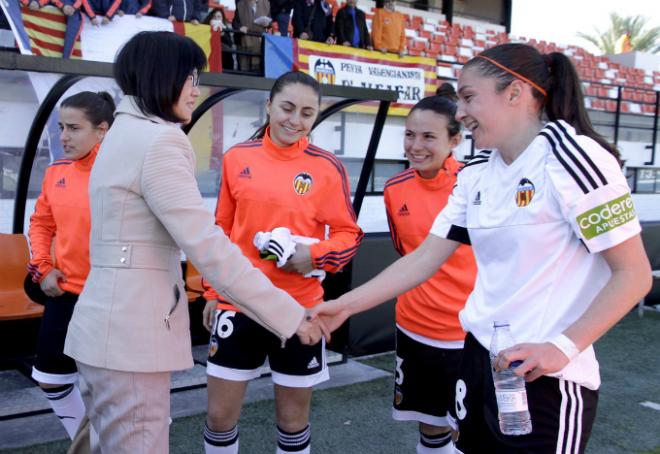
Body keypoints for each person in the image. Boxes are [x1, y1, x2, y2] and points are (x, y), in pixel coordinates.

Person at [312, 42, 652, 453]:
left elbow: (632, 275)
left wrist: (560, 348)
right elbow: (423, 259)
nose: (460, 113)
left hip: (546, 377)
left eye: (470, 97)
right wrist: (346, 305)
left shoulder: (574, 158)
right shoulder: (476, 174)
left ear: (516, 93)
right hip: (478, 360)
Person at [63, 32, 325, 453]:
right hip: (131, 340)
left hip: (102, 332)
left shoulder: (121, 132)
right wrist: (292, 316)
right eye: (191, 77)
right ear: (164, 76)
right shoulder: (160, 140)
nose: (197, 89)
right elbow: (210, 248)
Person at [200, 71, 363, 454]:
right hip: (238, 302)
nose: (295, 119)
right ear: (269, 105)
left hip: (300, 308)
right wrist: (211, 289)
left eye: (307, 113)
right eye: (287, 107)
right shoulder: (237, 157)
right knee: (219, 418)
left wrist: (314, 255)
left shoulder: (326, 167)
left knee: (292, 422)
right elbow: (219, 230)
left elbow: (348, 234)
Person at [383, 85, 476, 454]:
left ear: (454, 140)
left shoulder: (474, 184)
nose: (415, 145)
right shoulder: (394, 189)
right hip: (415, 330)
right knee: (431, 429)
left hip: (468, 335)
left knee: (471, 433)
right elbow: (407, 256)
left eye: (428, 137)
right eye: (409, 134)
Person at [27, 91, 115, 444]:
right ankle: (94, 445)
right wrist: (43, 268)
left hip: (111, 299)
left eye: (74, 128)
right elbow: (41, 224)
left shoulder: (121, 174)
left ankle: (130, 439)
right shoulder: (57, 171)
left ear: (102, 130)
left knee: (118, 388)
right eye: (62, 127)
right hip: (66, 294)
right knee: (50, 377)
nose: (63, 136)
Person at [233, 0, 271, 72]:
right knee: (243, 68)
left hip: (259, 41)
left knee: (257, 69)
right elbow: (235, 22)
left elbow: (270, 21)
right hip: (244, 40)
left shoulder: (267, 3)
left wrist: (268, 24)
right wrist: (240, 27)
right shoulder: (240, 4)